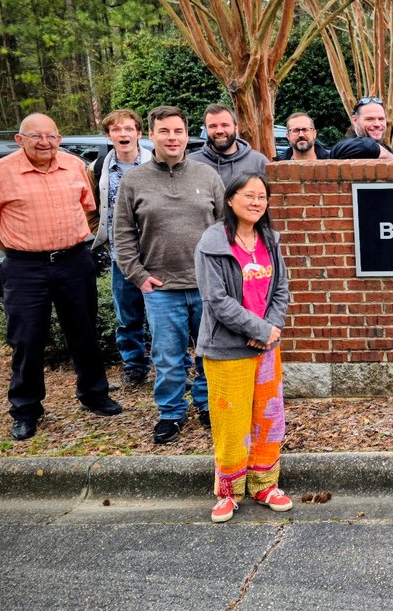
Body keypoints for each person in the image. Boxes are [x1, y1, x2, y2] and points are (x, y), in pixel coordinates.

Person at [0, 113, 122, 441]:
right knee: (27, 338)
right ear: (19, 139)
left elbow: (88, 206)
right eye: (36, 136)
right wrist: (16, 248)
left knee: (84, 330)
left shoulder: (74, 166)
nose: (45, 142)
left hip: (74, 261)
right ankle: (26, 409)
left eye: (51, 136)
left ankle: (94, 394)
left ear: (59, 138)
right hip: (25, 268)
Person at [115, 106, 225, 444]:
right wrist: (138, 276)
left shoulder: (207, 176)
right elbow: (123, 235)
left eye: (178, 131)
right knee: (167, 357)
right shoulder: (134, 181)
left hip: (206, 286)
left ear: (187, 135)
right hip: (161, 288)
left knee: (209, 353)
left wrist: (223, 276)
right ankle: (171, 412)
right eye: (164, 131)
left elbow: (226, 228)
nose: (172, 138)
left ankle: (208, 405)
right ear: (151, 135)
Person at [196, 172, 292, 523]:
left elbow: (281, 288)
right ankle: (228, 492)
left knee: (268, 418)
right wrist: (258, 329)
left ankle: (265, 484)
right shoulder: (213, 242)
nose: (256, 202)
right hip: (227, 348)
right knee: (231, 422)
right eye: (249, 195)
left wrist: (270, 330)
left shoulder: (270, 240)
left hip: (266, 347)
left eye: (262, 196)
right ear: (230, 199)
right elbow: (216, 300)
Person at [90, 109, 155, 387]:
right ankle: (135, 366)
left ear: (139, 133)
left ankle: (169, 366)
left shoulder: (156, 163)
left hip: (155, 253)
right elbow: (92, 206)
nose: (123, 134)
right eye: (116, 130)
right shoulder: (98, 168)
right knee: (128, 316)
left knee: (162, 315)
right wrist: (103, 236)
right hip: (121, 256)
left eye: (128, 129)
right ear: (109, 135)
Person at [188, 104, 269, 186]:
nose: (219, 131)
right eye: (213, 126)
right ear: (206, 130)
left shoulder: (258, 162)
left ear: (236, 128)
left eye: (225, 125)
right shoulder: (191, 163)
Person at [327, 96, 393, 160]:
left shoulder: (387, 149)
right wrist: (389, 156)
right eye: (370, 119)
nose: (377, 124)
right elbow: (364, 146)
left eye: (381, 119)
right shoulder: (346, 146)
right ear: (355, 121)